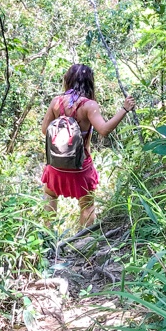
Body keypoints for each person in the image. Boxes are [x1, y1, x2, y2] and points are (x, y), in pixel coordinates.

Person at [40, 63, 136, 228]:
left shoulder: (56, 102)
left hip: (56, 165)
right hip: (80, 166)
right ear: (90, 82)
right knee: (87, 205)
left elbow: (44, 130)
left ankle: (47, 238)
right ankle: (84, 243)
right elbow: (104, 130)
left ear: (68, 81)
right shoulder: (89, 106)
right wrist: (124, 109)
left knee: (50, 195)